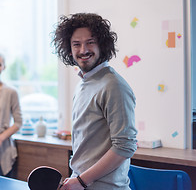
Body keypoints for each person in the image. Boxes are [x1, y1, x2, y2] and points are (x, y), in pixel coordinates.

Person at [52, 13, 137, 189]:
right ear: (69, 49)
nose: (83, 50)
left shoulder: (114, 85)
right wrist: (78, 179)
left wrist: (82, 180)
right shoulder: (83, 83)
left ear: (102, 45)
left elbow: (125, 146)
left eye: (90, 42)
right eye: (76, 44)